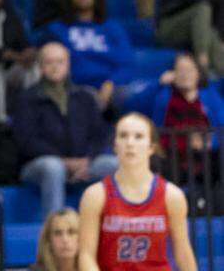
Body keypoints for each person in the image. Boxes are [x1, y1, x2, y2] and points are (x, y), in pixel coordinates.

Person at [78, 113, 196, 270]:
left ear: (151, 147)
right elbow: (86, 255)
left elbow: (183, 252)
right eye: (123, 136)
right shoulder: (95, 195)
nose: (130, 143)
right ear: (115, 145)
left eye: (138, 136)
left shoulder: (172, 196)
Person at [13, 42, 119, 218]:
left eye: (60, 61)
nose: (55, 67)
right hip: (39, 166)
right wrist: (63, 161)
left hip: (84, 164)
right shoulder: (27, 98)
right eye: (49, 62)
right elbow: (26, 141)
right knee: (53, 167)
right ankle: (55, 230)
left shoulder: (85, 96)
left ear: (68, 64)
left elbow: (100, 134)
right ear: (40, 66)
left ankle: (112, 224)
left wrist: (87, 160)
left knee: (114, 164)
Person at [45, 0, 132, 95]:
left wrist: (111, 83)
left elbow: (126, 64)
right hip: (72, 87)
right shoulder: (57, 29)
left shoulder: (112, 28)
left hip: (111, 87)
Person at [149, 53, 224, 183]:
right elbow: (132, 105)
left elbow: (221, 127)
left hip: (207, 158)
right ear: (173, 74)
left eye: (189, 70)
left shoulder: (211, 97)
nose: (185, 74)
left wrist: (210, 142)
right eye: (180, 70)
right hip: (171, 158)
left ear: (198, 74)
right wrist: (158, 84)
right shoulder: (163, 96)